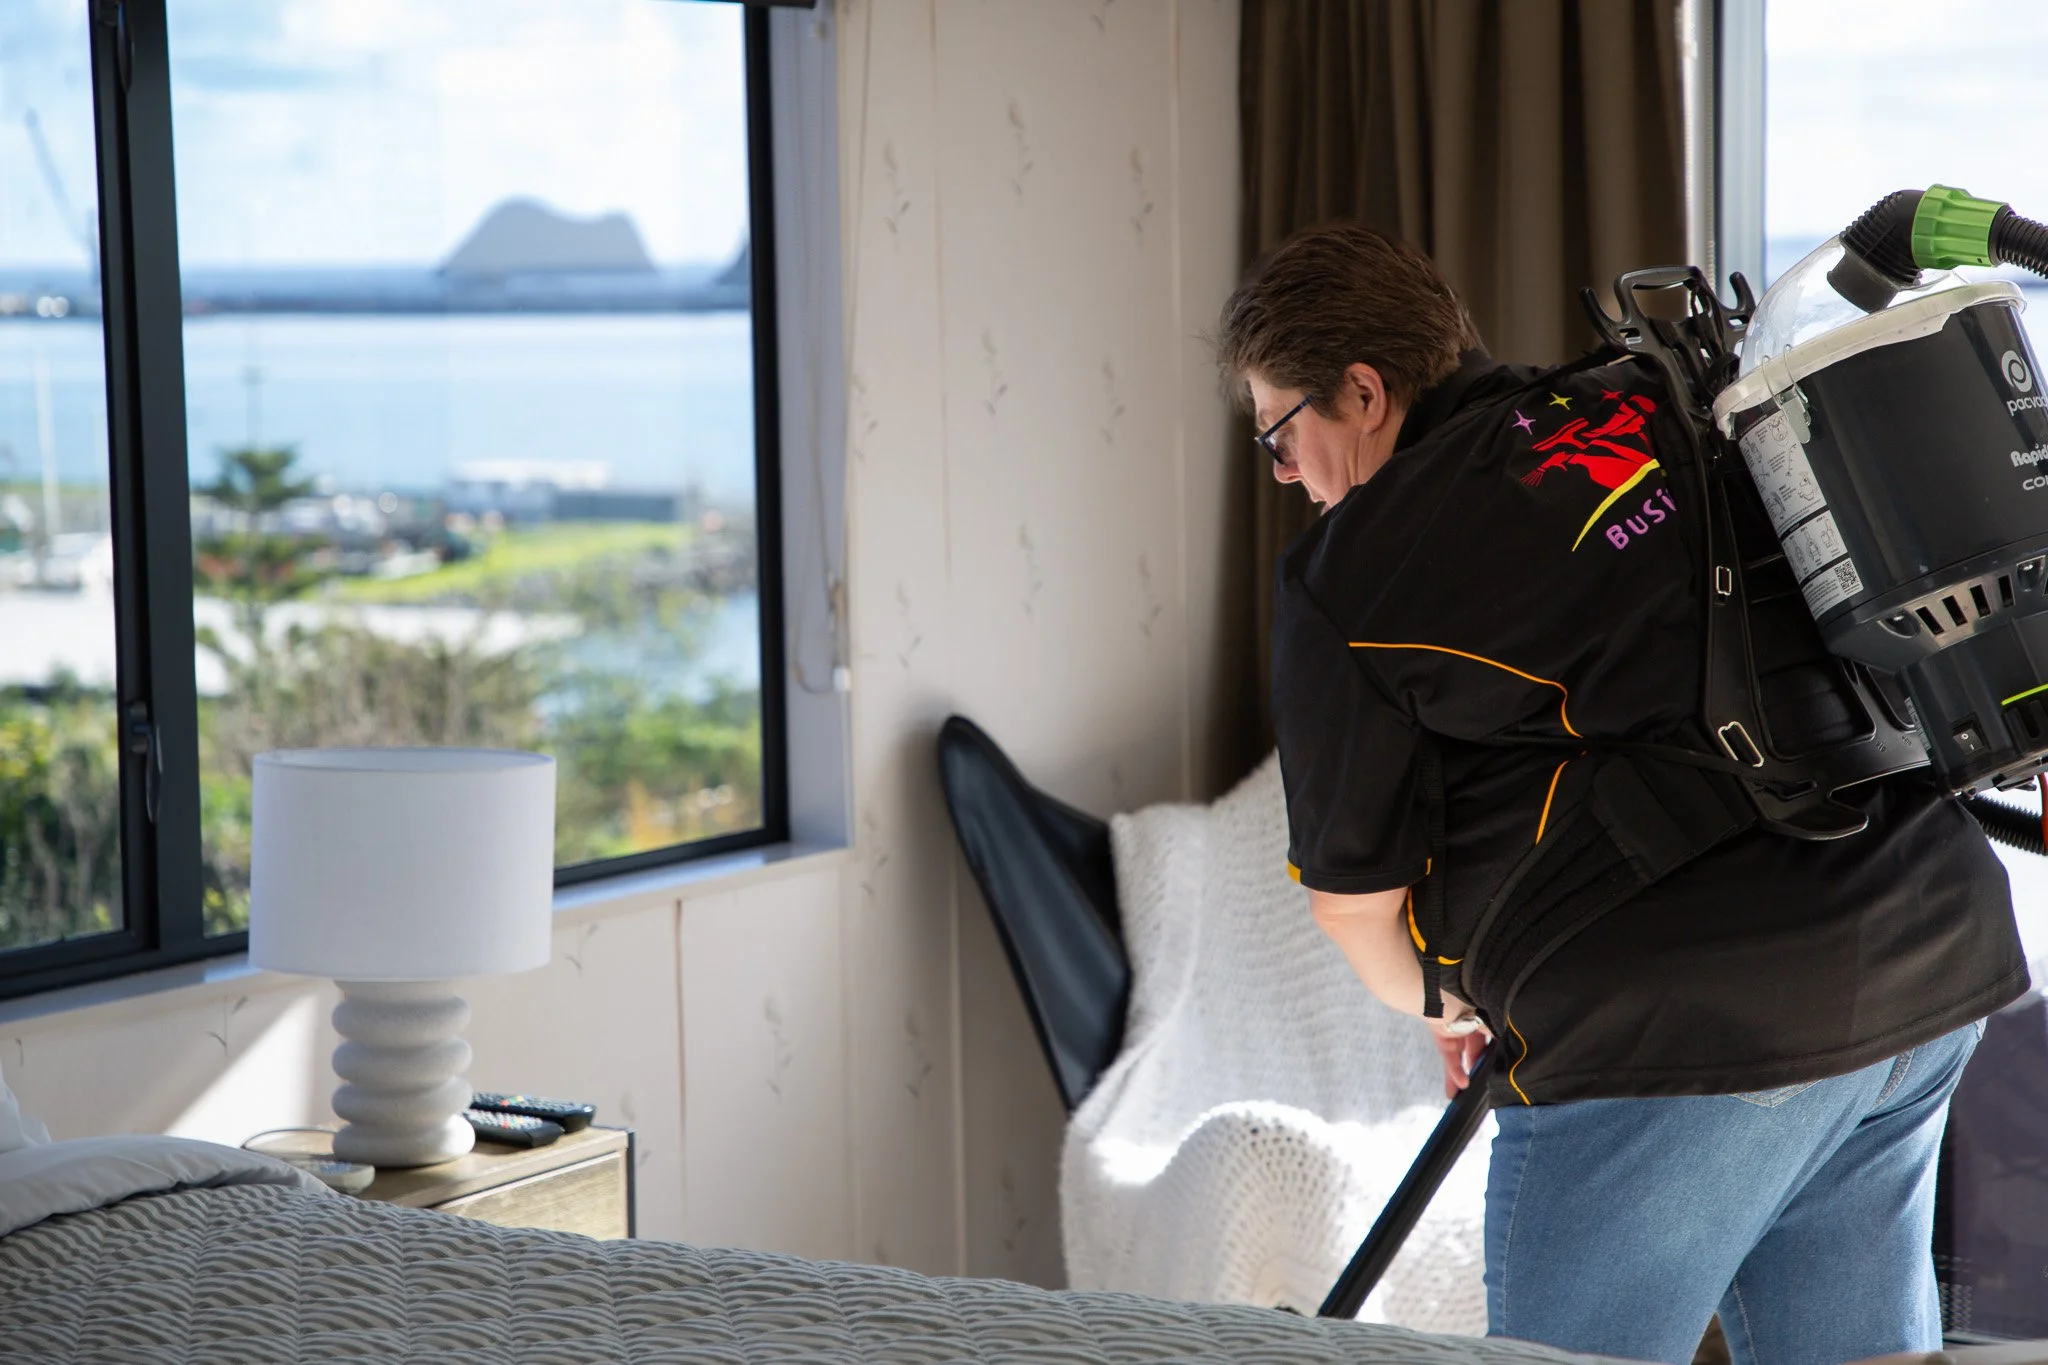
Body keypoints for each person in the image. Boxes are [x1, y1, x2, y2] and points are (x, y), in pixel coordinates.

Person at [1216, 222, 2028, 1365]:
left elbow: (1352, 904)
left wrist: (1447, 1004)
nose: (1283, 472)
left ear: (1359, 391)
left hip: (1686, 1030)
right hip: (1922, 945)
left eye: (1277, 433)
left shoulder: (1349, 574)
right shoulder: (1664, 391)